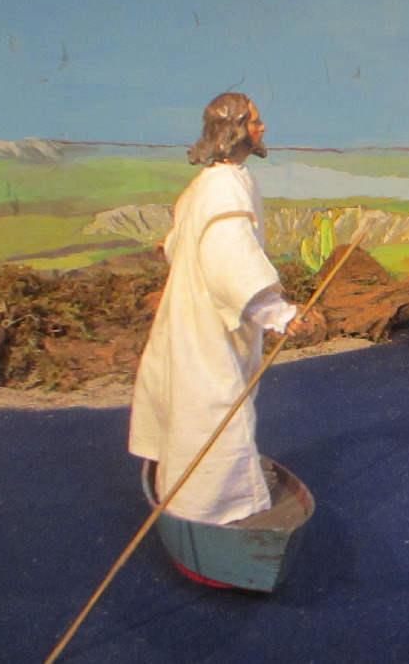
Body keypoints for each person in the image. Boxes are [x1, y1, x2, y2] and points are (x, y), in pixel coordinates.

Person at [129, 93, 323, 525]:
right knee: (213, 407)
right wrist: (279, 315)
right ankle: (212, 507)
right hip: (207, 324)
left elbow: (185, 239)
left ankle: (188, 491)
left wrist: (174, 247)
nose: (262, 127)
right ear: (234, 130)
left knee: (195, 403)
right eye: (255, 121)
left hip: (194, 314)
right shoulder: (225, 188)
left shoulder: (212, 182)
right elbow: (230, 264)